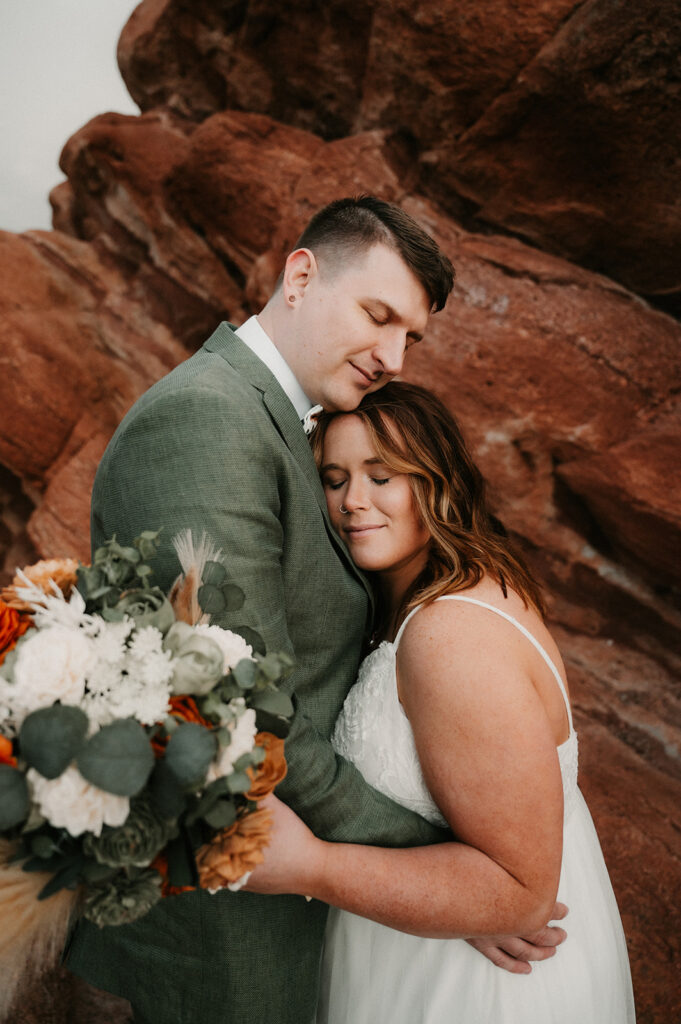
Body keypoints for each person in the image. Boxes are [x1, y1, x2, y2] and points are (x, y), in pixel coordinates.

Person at [64, 197, 565, 1024]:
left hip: (290, 896)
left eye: (410, 336)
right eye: (377, 315)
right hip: (224, 928)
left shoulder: (280, 422)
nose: (393, 355)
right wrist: (460, 879)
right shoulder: (208, 420)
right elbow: (250, 717)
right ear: (300, 275)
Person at [244, 381, 636, 1023]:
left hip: (476, 989)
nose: (352, 502)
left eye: (383, 475)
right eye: (335, 478)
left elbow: (520, 895)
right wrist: (457, 899)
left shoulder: (451, 633)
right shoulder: (417, 606)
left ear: (438, 483)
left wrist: (311, 867)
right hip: (424, 945)